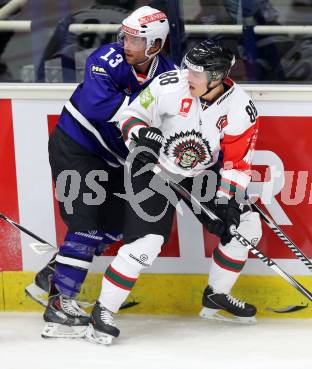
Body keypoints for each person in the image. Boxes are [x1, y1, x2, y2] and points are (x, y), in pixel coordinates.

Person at [84, 39, 262, 345]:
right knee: (147, 242)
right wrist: (140, 134)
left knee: (245, 226)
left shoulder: (240, 108)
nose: (186, 75)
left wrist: (228, 198)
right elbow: (129, 116)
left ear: (217, 76)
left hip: (197, 174)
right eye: (187, 68)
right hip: (151, 170)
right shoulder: (168, 86)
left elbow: (237, 161)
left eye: (195, 72)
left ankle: (217, 296)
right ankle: (103, 310)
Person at [27, 5, 176, 339]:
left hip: (110, 160)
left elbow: (173, 116)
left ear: (154, 45)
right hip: (76, 148)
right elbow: (98, 108)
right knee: (87, 224)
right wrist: (143, 127)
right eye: (125, 35)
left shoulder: (169, 73)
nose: (125, 43)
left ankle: (54, 272)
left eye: (135, 39)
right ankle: (60, 303)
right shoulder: (105, 59)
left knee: (114, 225)